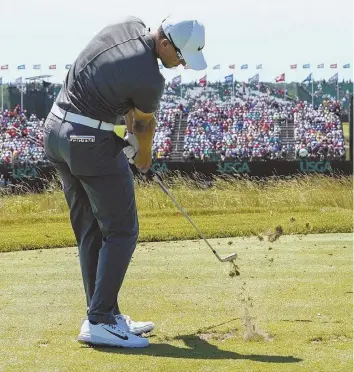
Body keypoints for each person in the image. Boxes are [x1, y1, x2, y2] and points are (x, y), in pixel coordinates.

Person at [43, 15, 207, 348]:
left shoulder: (129, 26)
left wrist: (128, 134)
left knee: (91, 228)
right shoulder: (151, 78)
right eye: (181, 57)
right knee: (122, 230)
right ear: (164, 44)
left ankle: (104, 313)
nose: (182, 65)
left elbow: (124, 99)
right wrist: (141, 155)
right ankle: (100, 320)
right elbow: (144, 129)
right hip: (89, 142)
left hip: (56, 131)